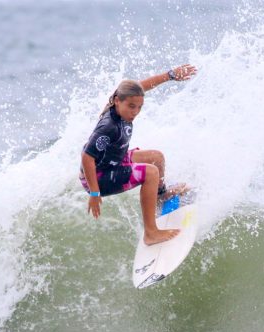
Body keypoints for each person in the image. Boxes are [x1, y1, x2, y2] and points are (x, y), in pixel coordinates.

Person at [80, 64, 197, 245]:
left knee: (156, 158)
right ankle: (151, 233)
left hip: (113, 160)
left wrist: (170, 75)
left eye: (139, 107)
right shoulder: (108, 127)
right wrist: (95, 193)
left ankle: (160, 196)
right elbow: (87, 157)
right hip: (98, 176)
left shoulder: (120, 101)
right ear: (118, 101)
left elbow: (141, 87)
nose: (135, 112)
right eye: (131, 107)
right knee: (151, 172)